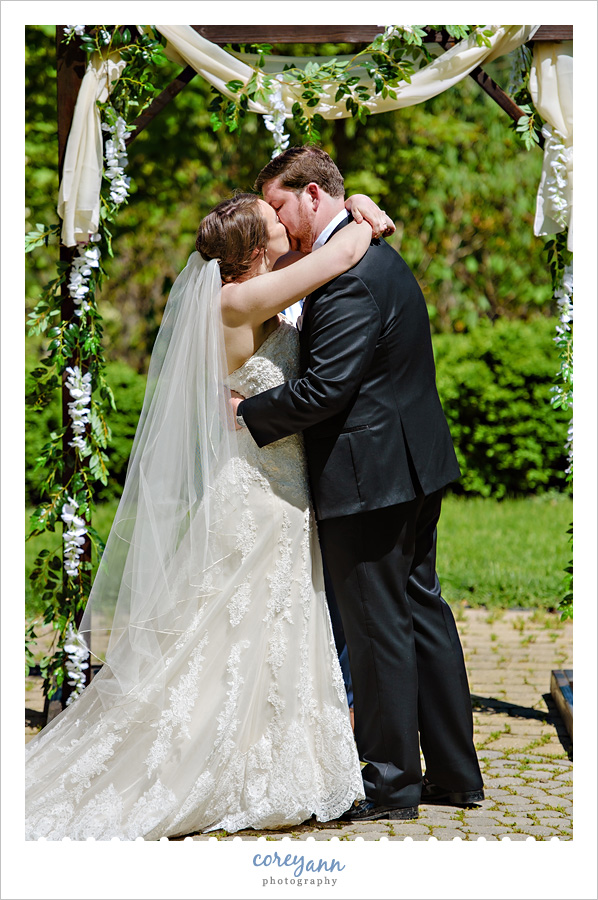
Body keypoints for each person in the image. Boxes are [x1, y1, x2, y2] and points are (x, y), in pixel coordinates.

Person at [25, 190, 392, 840]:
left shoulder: (255, 291)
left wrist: (353, 200)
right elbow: (344, 251)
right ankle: (219, 764)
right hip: (258, 489)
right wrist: (362, 210)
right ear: (255, 247)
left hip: (272, 481)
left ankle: (267, 756)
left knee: (255, 624)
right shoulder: (237, 300)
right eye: (274, 218)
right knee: (238, 623)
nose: (285, 222)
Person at [232, 146, 484, 822]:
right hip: (409, 466)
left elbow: (325, 388)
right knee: (421, 614)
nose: (279, 225)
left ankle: (392, 786)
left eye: (282, 205)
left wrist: (246, 412)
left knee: (379, 631)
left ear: (313, 195)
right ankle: (457, 775)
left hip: (368, 475)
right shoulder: (352, 246)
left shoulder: (347, 274)